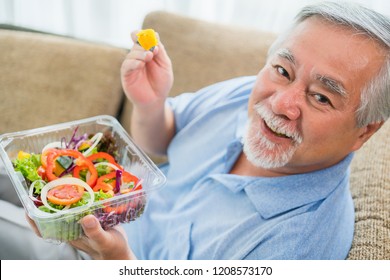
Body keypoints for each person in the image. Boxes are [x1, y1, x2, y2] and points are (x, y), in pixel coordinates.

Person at [11, 1, 390, 259]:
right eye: (283, 70)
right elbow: (159, 142)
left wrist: (116, 260)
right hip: (98, 210)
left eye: (321, 97)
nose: (280, 104)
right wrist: (150, 104)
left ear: (364, 132)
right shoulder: (243, 92)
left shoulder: (299, 245)